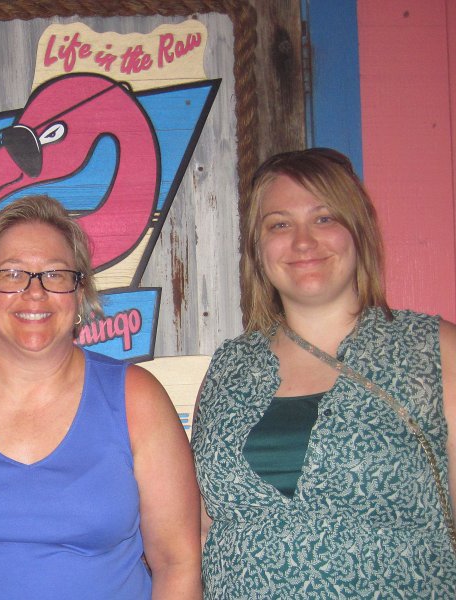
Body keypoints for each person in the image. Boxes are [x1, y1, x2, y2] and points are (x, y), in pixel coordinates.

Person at [0, 195, 202, 599]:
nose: (35, 292)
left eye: (56, 274)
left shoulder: (139, 400)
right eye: (11, 274)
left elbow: (177, 563)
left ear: (79, 297)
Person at [192, 148, 456, 597]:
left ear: (359, 231)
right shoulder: (228, 367)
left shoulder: (435, 350)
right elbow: (200, 531)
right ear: (257, 248)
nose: (302, 242)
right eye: (279, 224)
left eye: (324, 218)